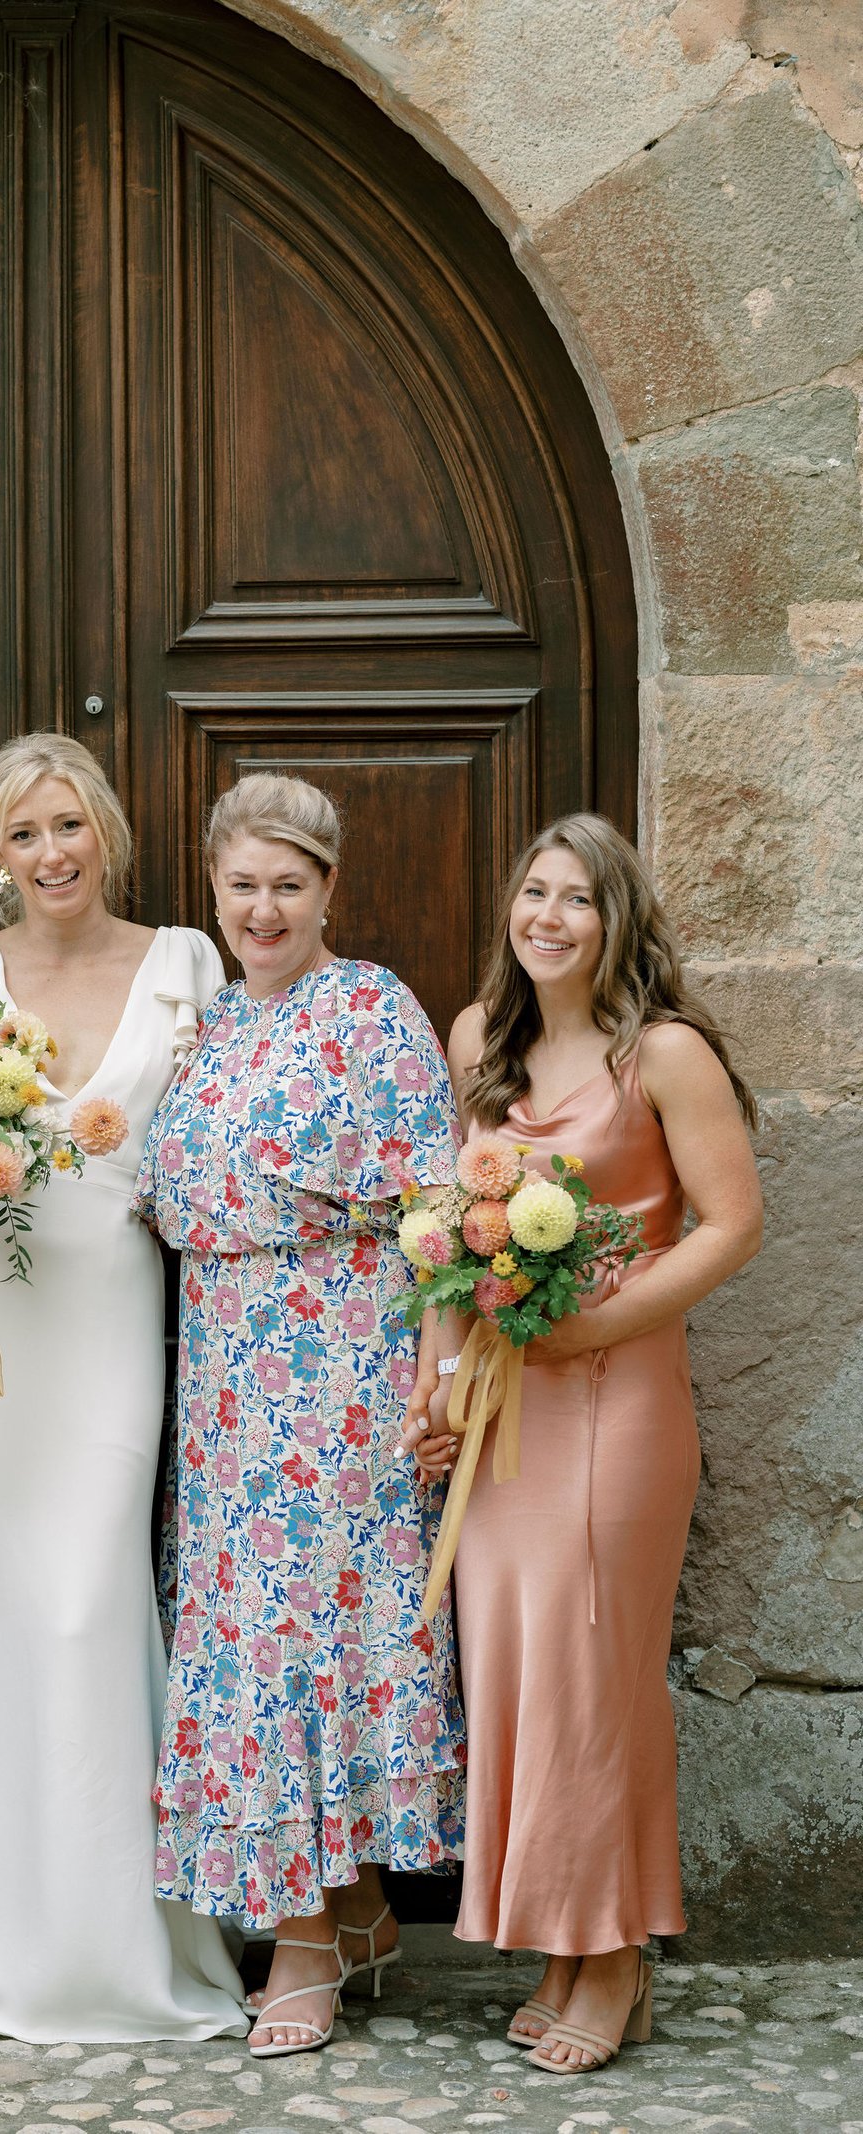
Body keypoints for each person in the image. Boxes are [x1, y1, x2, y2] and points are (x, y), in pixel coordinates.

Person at [0, 733, 248, 2043]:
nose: (50, 852)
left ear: (107, 830)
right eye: (24, 831)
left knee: (89, 1597)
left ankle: (112, 1952)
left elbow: (219, 1128)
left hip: (108, 1317)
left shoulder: (185, 965)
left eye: (69, 825)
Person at [404, 814, 762, 2076]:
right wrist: (437, 1376)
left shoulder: (661, 1052)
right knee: (524, 1673)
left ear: (616, 921)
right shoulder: (476, 1041)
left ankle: (616, 1959)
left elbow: (731, 1225)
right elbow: (446, 1226)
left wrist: (595, 1322)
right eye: (533, 893)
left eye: (577, 899)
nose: (546, 917)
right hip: (506, 1412)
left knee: (593, 1670)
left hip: (617, 1400)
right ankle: (567, 1946)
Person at [134, 773, 464, 2060]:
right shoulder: (207, 1020)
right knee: (253, 1643)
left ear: (328, 889)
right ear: (210, 888)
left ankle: (307, 1942)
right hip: (222, 1383)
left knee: (309, 1643)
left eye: (287, 884)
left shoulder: (371, 1009)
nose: (261, 907)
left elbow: (432, 1205)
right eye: (241, 884)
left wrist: (435, 1371)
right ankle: (363, 1908)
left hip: (340, 1375)